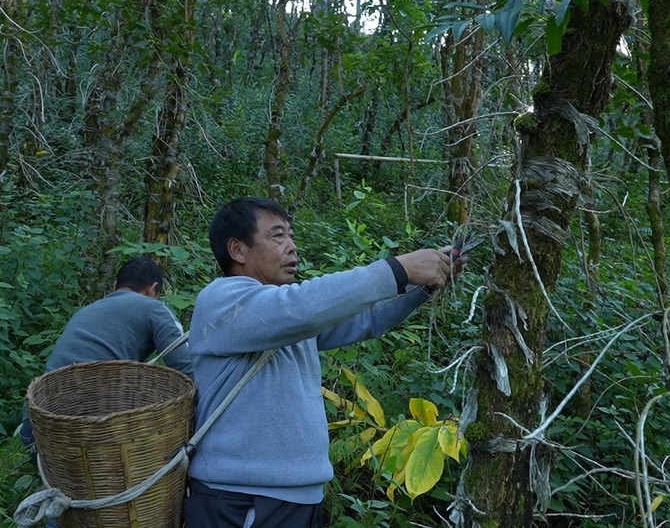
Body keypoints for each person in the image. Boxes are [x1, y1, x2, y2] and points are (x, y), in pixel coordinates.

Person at [183, 197, 468, 528]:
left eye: (291, 236)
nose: (291, 247)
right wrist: (397, 268)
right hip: (240, 499)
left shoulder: (288, 318)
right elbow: (302, 307)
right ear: (237, 250)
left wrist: (423, 285)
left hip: (299, 497)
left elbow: (367, 318)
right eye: (277, 236)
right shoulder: (222, 300)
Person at [19, 255, 193, 455]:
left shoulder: (86, 310)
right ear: (153, 289)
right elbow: (187, 368)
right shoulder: (155, 308)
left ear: (115, 285)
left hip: (35, 429)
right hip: (91, 431)